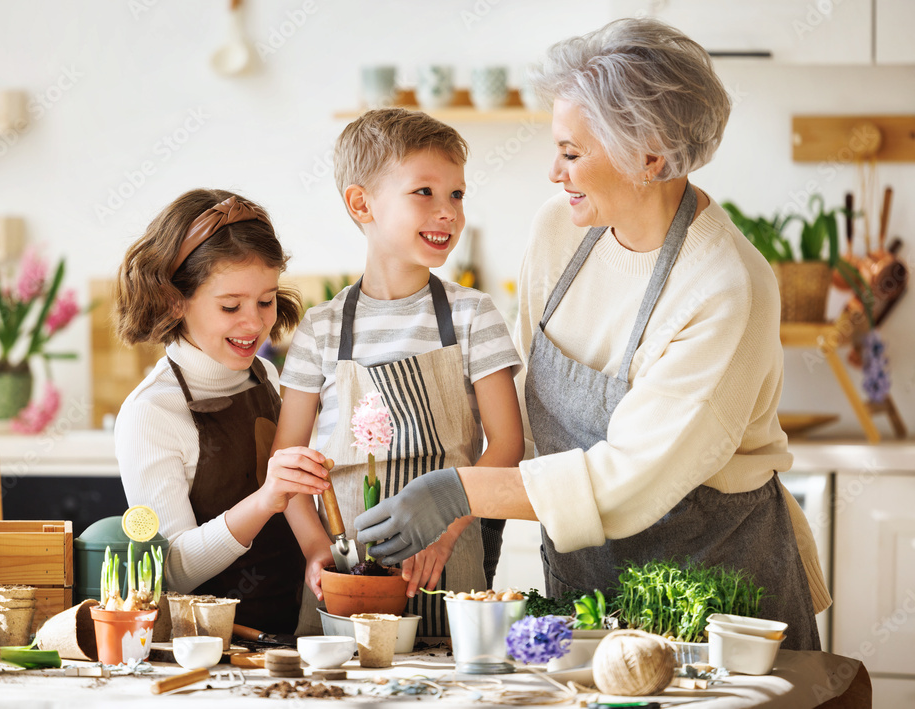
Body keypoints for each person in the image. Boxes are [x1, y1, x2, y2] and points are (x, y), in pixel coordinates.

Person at [354, 18, 830, 651]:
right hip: (589, 585)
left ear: (650, 156)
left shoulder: (725, 286)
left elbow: (627, 478)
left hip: (715, 597)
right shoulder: (559, 230)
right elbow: (526, 393)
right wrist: (468, 509)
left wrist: (458, 490)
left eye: (572, 153)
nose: (554, 172)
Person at [275, 108, 525, 637]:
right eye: (424, 193)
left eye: (456, 195)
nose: (448, 212)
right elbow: (287, 466)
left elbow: (506, 445)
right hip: (344, 572)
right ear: (362, 203)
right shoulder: (320, 330)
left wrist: (448, 527)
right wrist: (318, 549)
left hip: (447, 562)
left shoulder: (472, 316)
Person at [115, 188, 332, 634]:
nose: (254, 324)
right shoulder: (150, 413)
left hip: (298, 637)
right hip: (212, 651)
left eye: (266, 301)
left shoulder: (267, 377)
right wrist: (265, 500)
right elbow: (172, 569)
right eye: (230, 306)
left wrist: (318, 549)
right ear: (175, 300)